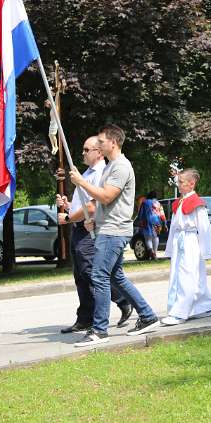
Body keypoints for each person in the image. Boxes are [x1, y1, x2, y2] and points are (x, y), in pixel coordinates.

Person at [69, 124, 161, 346]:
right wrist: (94, 222)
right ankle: (148, 316)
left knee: (99, 276)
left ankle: (99, 330)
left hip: (114, 231)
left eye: (101, 142)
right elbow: (103, 202)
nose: (98, 146)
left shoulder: (120, 167)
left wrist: (81, 182)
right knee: (115, 276)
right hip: (107, 228)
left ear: (113, 142)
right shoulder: (111, 167)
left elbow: (107, 197)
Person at [55, 136, 132, 334]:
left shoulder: (101, 173)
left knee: (92, 274)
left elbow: (92, 205)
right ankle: (85, 318)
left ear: (99, 152)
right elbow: (82, 204)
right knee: (80, 275)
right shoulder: (87, 173)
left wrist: (69, 218)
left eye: (86, 149)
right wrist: (68, 206)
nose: (83, 153)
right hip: (79, 228)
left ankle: (122, 301)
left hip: (91, 230)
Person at [161, 169, 211, 326]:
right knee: (180, 275)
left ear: (191, 184)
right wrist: (170, 248)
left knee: (188, 275)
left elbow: (204, 227)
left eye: (181, 182)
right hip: (180, 240)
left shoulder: (196, 203)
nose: (178, 185)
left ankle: (180, 312)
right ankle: (206, 306)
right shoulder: (180, 202)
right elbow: (173, 226)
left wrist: (207, 251)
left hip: (191, 241)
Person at [135, 191, 162, 260]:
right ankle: (155, 253)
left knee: (148, 238)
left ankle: (151, 252)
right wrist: (164, 223)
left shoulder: (145, 202)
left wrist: (139, 220)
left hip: (148, 221)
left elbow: (141, 213)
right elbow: (161, 214)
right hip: (157, 221)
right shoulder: (158, 203)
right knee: (156, 237)